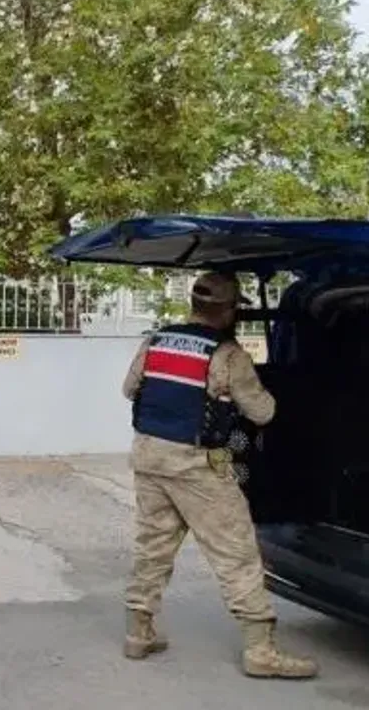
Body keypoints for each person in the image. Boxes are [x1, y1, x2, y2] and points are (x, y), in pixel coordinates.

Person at [122, 271, 317, 679]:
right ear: (229, 311)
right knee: (236, 552)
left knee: (152, 545)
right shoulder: (228, 355)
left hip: (149, 457)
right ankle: (261, 650)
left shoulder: (156, 340)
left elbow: (129, 389)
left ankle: (139, 632)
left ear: (193, 304)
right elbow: (263, 412)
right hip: (197, 465)